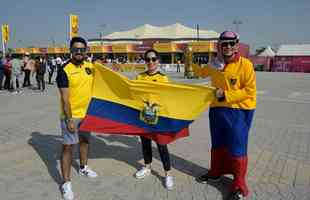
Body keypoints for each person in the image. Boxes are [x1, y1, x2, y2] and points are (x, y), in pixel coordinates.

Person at [195, 31, 256, 200]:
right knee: (218, 143)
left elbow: (249, 91)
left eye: (231, 43)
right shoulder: (215, 64)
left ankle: (239, 185)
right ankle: (216, 172)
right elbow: (200, 73)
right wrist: (188, 60)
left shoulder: (246, 65)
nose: (228, 47)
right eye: (224, 44)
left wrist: (226, 95)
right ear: (219, 46)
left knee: (237, 146)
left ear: (236, 45)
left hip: (238, 111)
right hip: (217, 110)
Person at [56, 36, 97, 200]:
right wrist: (69, 119)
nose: (79, 52)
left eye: (82, 49)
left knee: (85, 142)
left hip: (87, 115)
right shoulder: (64, 70)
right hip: (71, 116)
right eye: (76, 50)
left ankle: (83, 167)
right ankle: (66, 183)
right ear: (71, 51)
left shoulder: (90, 66)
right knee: (67, 147)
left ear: (86, 51)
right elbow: (65, 98)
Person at [134, 49, 175, 190]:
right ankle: (147, 167)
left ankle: (168, 173)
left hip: (158, 118)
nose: (150, 62)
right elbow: (134, 95)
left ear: (158, 61)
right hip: (143, 116)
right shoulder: (139, 77)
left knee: (161, 144)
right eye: (147, 59)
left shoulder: (163, 78)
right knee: (145, 143)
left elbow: (168, 98)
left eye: (153, 59)